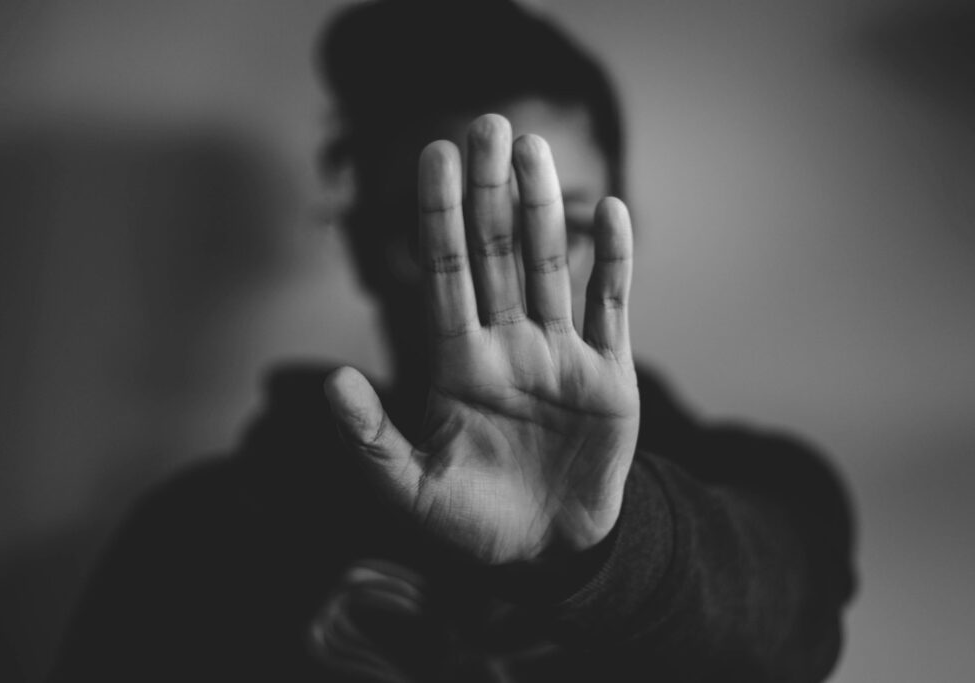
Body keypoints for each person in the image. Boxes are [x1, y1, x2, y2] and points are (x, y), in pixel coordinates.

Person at [48, 1, 856, 681]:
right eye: (440, 232)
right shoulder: (197, 538)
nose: (486, 275)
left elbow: (783, 619)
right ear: (364, 249)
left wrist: (605, 546)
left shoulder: (764, 488)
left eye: (558, 224)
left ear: (622, 233)